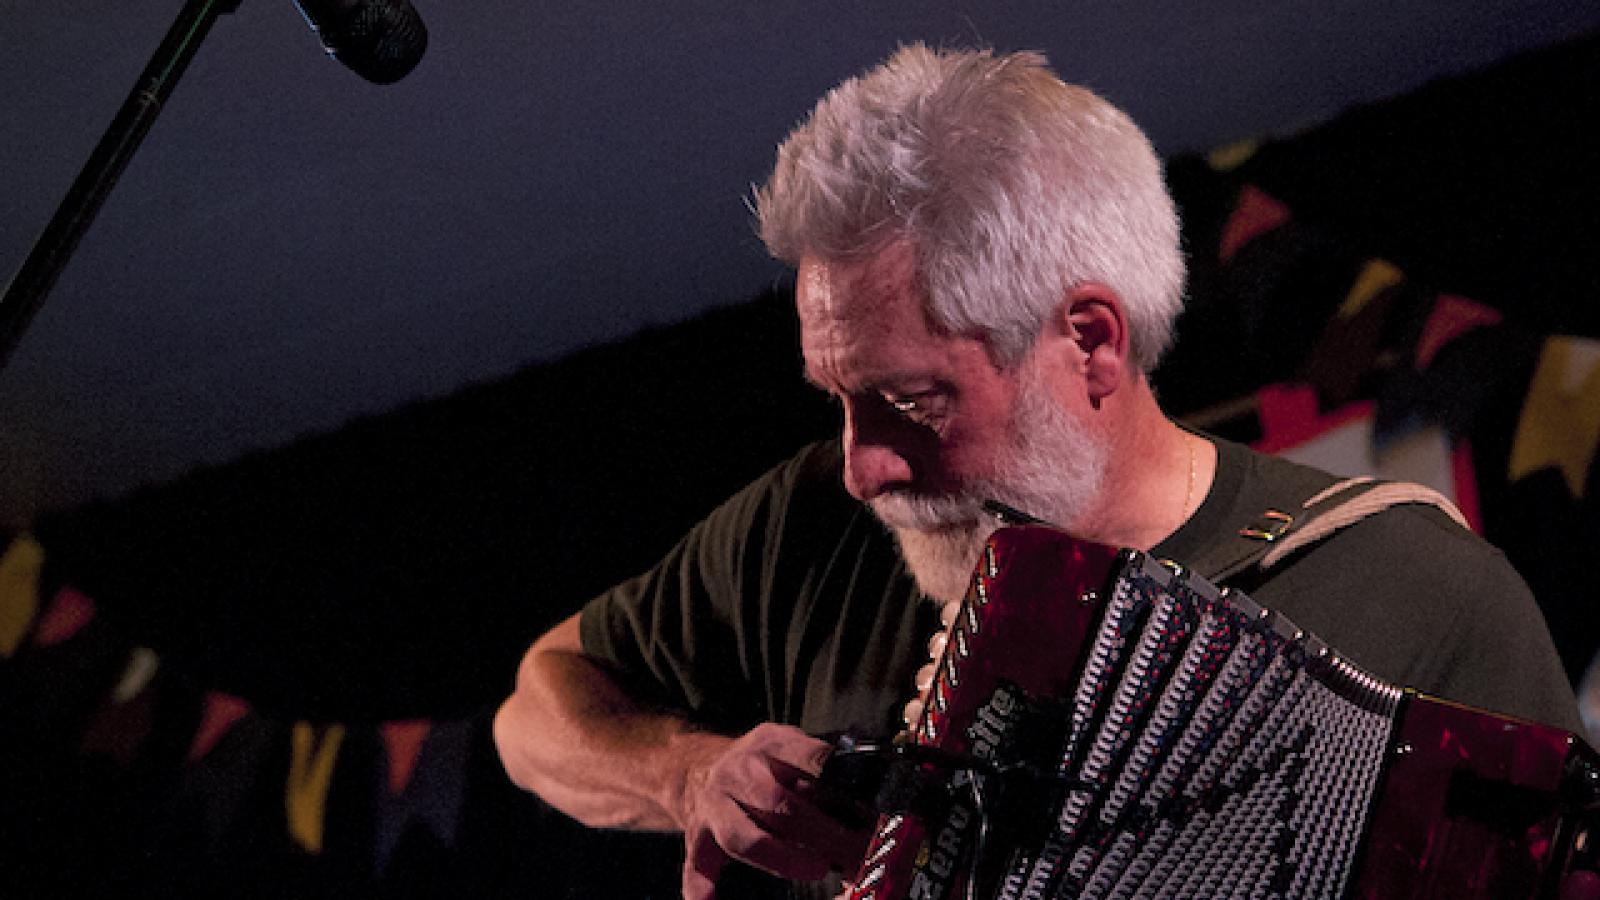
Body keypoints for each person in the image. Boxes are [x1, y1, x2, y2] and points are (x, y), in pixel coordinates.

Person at [493, 44, 1581, 899]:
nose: (864, 466)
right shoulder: (810, 526)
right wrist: (685, 772)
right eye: (838, 397)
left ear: (1093, 343)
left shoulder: (1423, 594)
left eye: (913, 401)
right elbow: (534, 710)